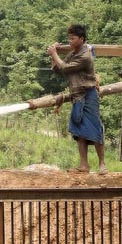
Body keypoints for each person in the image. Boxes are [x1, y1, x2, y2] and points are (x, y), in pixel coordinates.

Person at [46, 24, 107, 174]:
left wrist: (54, 54)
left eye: (73, 38)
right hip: (77, 96)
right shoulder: (73, 53)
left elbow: (66, 68)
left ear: (81, 39)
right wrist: (53, 56)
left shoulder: (85, 56)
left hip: (89, 94)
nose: (70, 41)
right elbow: (58, 68)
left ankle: (102, 164)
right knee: (79, 131)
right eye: (69, 38)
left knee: (95, 127)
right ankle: (84, 165)